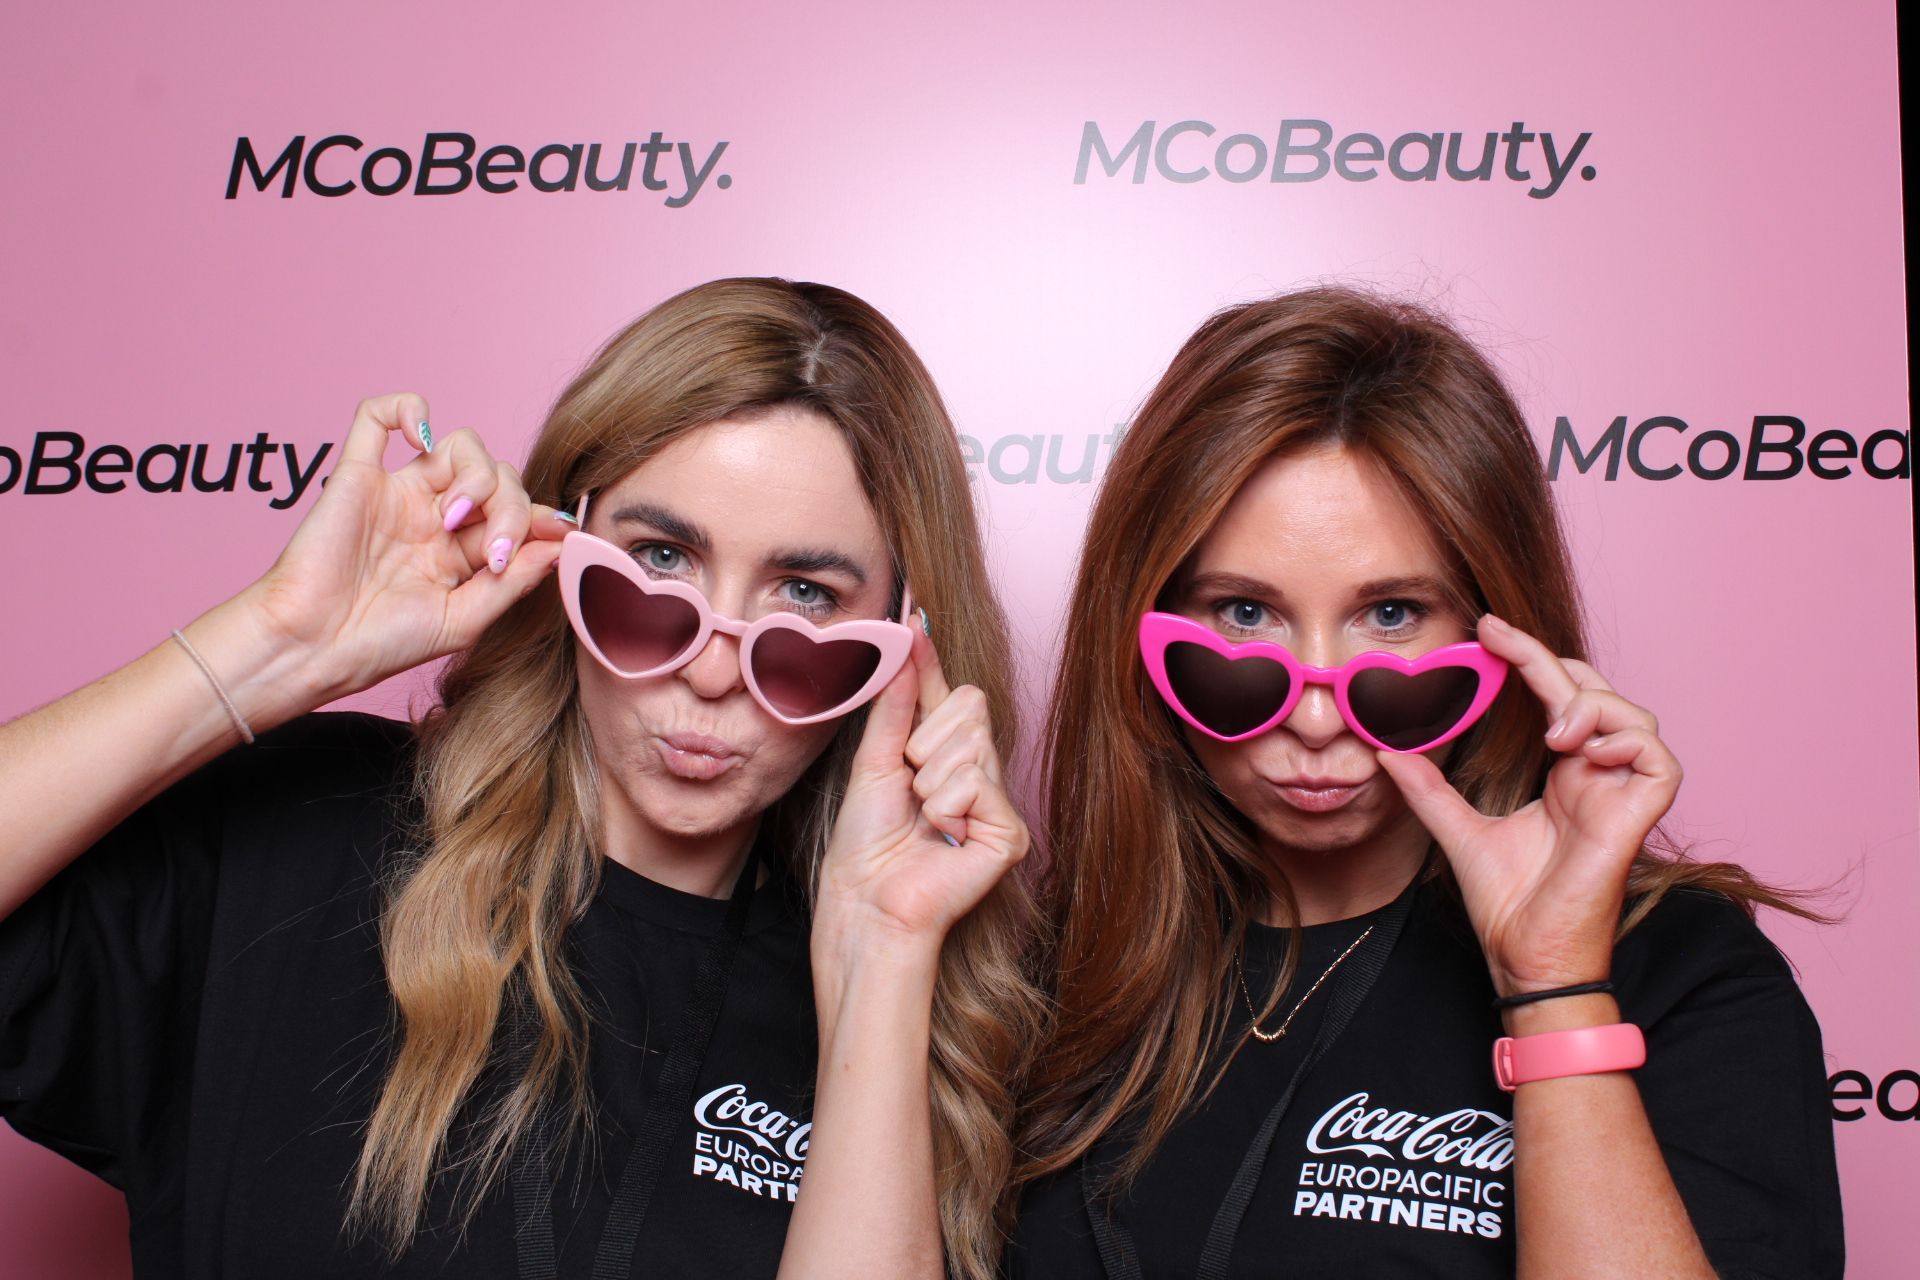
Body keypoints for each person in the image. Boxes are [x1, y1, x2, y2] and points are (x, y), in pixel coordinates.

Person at [0, 277, 1043, 1280]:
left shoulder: (896, 1000)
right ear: (562, 545)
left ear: (899, 640)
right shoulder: (293, 841)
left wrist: (882, 951)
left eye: (806, 594)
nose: (713, 667)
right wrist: (273, 647)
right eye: (660, 559)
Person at [1004, 286, 1844, 1277]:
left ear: (1498, 625)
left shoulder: (1683, 976)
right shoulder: (1041, 978)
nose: (1316, 717)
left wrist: (1555, 985)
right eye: (1243, 612)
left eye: (1393, 614)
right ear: (1143, 626)